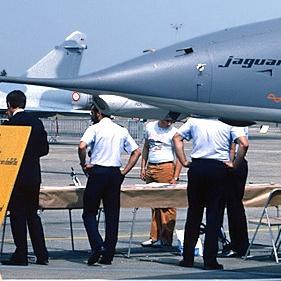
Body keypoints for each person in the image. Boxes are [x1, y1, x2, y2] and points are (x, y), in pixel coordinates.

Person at [173, 117, 246, 270]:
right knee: (214, 214)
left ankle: (188, 257)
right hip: (218, 167)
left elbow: (177, 138)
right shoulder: (229, 121)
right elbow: (244, 144)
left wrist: (184, 161)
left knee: (194, 213)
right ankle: (210, 258)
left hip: (198, 166)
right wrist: (235, 164)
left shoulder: (195, 120)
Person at [77, 103, 140, 265]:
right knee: (112, 214)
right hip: (114, 173)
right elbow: (136, 151)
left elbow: (82, 146)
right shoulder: (121, 130)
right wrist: (124, 171)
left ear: (98, 113)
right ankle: (109, 253)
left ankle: (97, 244)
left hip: (98, 172)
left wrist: (83, 163)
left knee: (89, 212)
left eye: (92, 112)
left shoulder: (95, 128)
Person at [4, 90, 50, 265]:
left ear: (9, 104)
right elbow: (44, 149)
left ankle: (21, 254)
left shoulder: (10, 125)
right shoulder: (36, 122)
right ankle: (42, 254)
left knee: (17, 215)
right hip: (33, 174)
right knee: (33, 215)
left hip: (17, 176)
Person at [140, 113, 181, 247]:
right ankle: (154, 236)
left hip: (166, 167)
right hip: (152, 166)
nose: (169, 123)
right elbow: (146, 147)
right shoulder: (150, 127)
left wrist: (175, 176)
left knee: (167, 205)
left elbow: (180, 156)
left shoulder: (174, 132)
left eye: (171, 121)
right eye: (167, 120)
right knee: (154, 203)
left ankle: (166, 238)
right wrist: (143, 167)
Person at [221, 125, 251, 257]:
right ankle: (240, 243)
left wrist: (230, 163)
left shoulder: (231, 121)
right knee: (235, 206)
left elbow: (233, 145)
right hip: (240, 162)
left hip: (233, 163)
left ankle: (238, 244)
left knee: (232, 206)